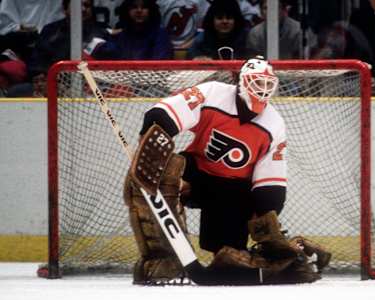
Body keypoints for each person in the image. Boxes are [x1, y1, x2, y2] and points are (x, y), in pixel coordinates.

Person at [123, 56, 332, 285]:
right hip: (195, 171)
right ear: (241, 82)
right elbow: (163, 114)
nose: (262, 90)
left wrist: (267, 222)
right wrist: (150, 148)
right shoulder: (213, 93)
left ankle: (294, 250)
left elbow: (270, 189)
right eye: (256, 83)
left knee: (229, 255)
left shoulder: (274, 124)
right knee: (155, 173)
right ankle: (164, 260)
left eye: (267, 84)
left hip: (232, 193)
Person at [7, 0, 109, 97]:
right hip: (50, 83)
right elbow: (37, 61)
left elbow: (106, 69)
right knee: (16, 91)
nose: (82, 9)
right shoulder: (50, 31)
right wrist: (42, 78)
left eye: (87, 5)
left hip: (89, 88)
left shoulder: (100, 33)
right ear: (65, 9)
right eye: (78, 5)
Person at [94, 0, 173, 60]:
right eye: (134, 7)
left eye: (144, 7)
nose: (139, 10)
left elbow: (160, 66)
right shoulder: (122, 35)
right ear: (127, 10)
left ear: (151, 10)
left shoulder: (160, 34)